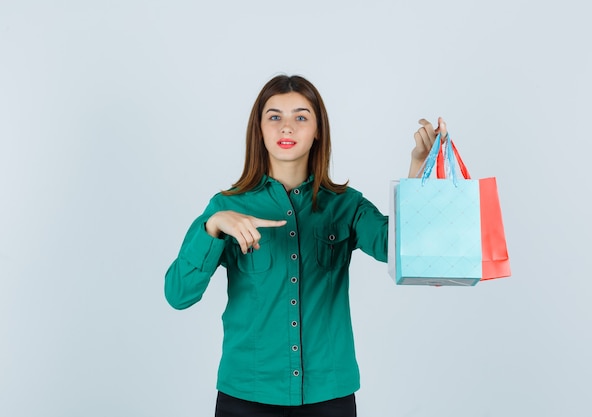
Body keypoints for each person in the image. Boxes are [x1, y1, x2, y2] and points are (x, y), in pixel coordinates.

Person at [164, 74, 447, 417]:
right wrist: (213, 226)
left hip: (329, 397)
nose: (287, 128)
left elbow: (406, 253)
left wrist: (418, 170)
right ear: (259, 130)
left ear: (317, 131)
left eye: (300, 117)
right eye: (274, 117)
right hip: (246, 396)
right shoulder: (225, 208)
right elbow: (179, 295)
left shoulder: (347, 206)